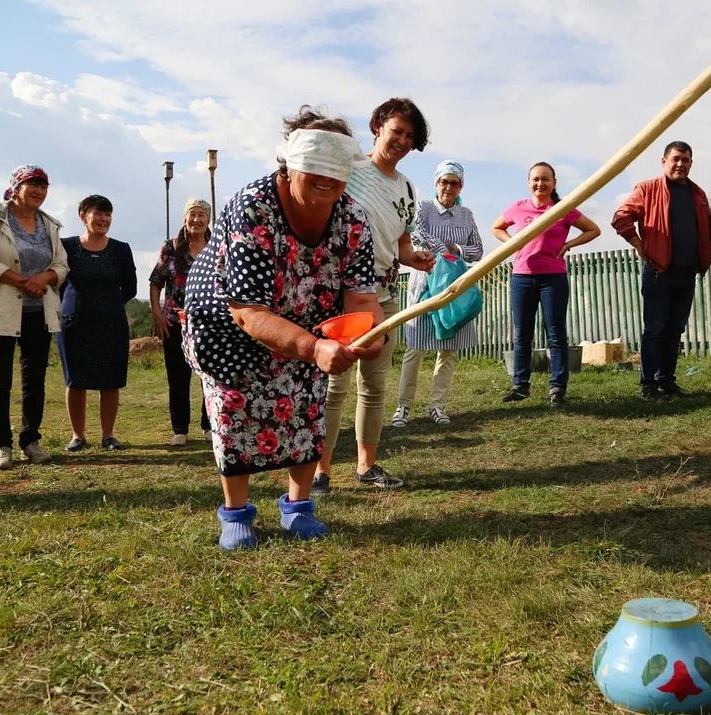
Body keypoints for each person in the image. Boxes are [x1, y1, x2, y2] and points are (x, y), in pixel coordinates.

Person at [182, 106, 384, 550]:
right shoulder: (253, 207)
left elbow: (362, 294)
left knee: (307, 404)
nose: (326, 179)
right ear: (290, 163)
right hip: (227, 320)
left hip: (308, 318)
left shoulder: (353, 218)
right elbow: (248, 312)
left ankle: (298, 506)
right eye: (315, 167)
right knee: (235, 407)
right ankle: (235, 514)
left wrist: (371, 333)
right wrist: (313, 348)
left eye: (337, 169)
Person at [312, 98, 436, 495]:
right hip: (343, 295)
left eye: (410, 136)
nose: (401, 140)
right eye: (396, 130)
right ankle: (321, 471)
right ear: (379, 126)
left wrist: (413, 257)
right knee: (335, 387)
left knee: (375, 385)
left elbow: (400, 240)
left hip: (385, 294)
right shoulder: (350, 171)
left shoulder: (406, 187)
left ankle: (366, 466)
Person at [0, 164, 69, 470]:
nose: (39, 191)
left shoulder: (49, 225)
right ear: (17, 187)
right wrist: (21, 280)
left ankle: (30, 440)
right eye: (32, 185)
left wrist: (45, 277)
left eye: (44, 186)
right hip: (0, 309)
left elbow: (61, 265)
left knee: (34, 380)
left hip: (38, 312)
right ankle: (2, 446)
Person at [611, 141, 711, 399]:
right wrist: (638, 244)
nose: (681, 164)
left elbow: (710, 226)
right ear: (664, 161)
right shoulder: (647, 189)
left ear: (692, 163)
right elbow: (621, 217)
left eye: (686, 160)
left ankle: (667, 381)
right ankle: (649, 384)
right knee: (655, 329)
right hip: (659, 271)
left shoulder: (698, 194)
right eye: (676, 159)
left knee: (675, 330)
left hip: (687, 272)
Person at [492, 162, 600, 404]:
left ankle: (558, 387)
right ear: (529, 182)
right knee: (522, 334)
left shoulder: (563, 209)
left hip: (553, 278)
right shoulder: (518, 208)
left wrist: (569, 245)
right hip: (522, 277)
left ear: (554, 183)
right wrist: (512, 242)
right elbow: (496, 227)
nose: (540, 183)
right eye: (536, 179)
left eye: (545, 179)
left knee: (556, 334)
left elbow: (593, 230)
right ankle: (520, 386)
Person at [391, 160, 484, 427]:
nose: (449, 187)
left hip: (454, 288)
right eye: (445, 181)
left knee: (448, 351)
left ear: (461, 186)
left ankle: (437, 406)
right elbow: (417, 233)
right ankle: (403, 407)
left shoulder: (466, 215)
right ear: (436, 183)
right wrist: (446, 250)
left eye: (455, 183)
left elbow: (477, 250)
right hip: (425, 284)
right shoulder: (424, 208)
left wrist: (455, 249)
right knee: (415, 347)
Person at [57, 195, 137, 451]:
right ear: (83, 215)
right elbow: (57, 283)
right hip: (74, 324)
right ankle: (77, 436)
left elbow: (131, 288)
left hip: (111, 324)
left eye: (108, 214)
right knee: (75, 380)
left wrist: (106, 304)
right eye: (98, 213)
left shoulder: (121, 249)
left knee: (110, 380)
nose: (103, 219)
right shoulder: (66, 246)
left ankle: (108, 435)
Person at [149, 199, 214, 446]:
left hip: (208, 322)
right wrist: (157, 314)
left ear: (208, 220)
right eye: (192, 214)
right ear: (185, 218)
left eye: (201, 215)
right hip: (175, 323)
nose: (196, 219)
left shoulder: (216, 247)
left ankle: (209, 425)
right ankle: (180, 428)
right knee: (177, 376)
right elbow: (155, 283)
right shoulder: (171, 247)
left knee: (209, 375)